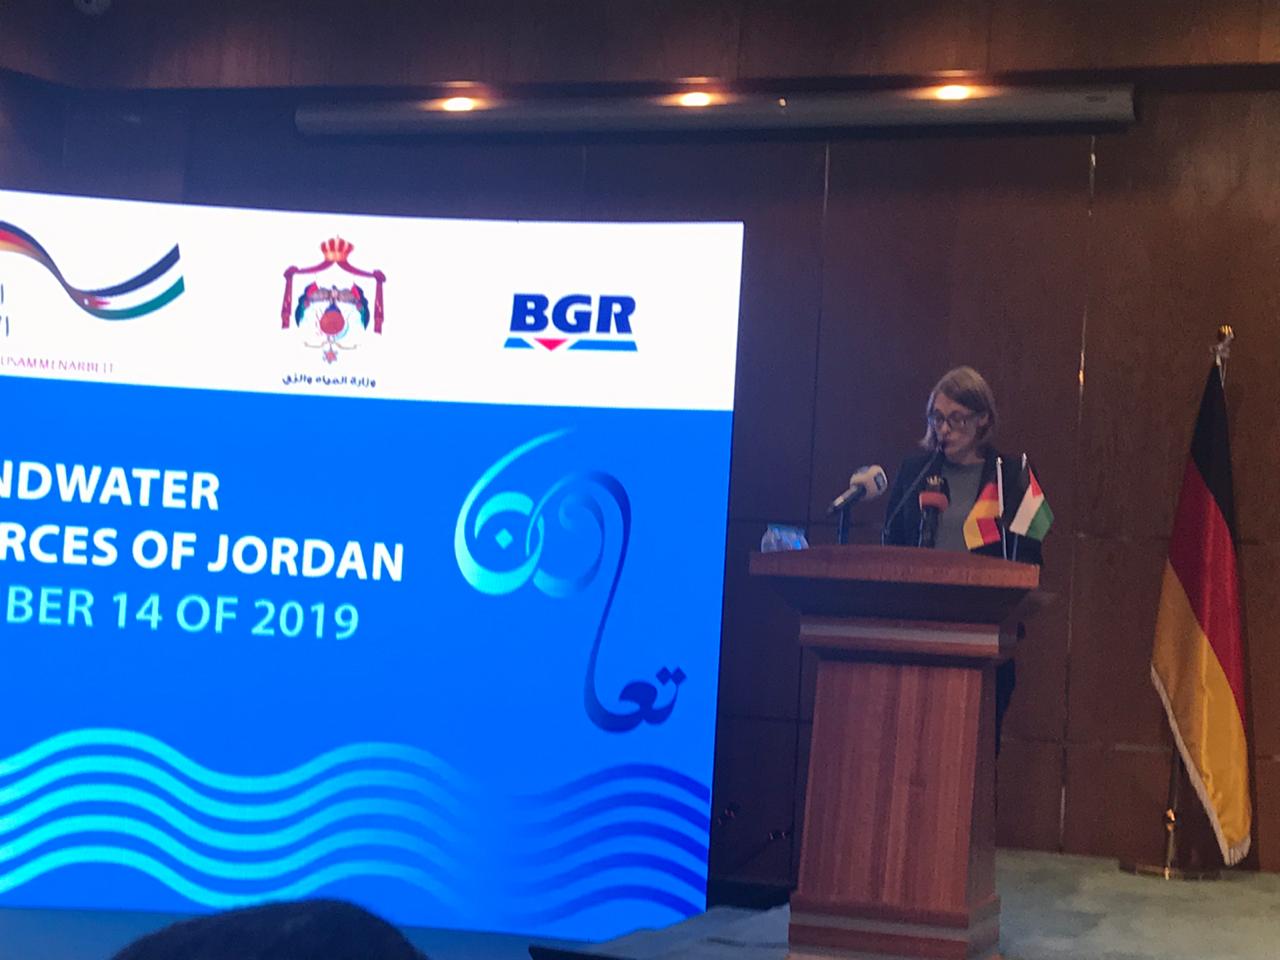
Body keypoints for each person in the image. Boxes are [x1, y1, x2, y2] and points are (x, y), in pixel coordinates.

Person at [880, 366, 1045, 750]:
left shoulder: (1013, 476)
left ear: (983, 418)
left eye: (957, 419)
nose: (944, 430)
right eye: (937, 418)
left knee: (972, 754)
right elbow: (892, 543)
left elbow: (1033, 558)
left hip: (984, 641)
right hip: (916, 637)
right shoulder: (914, 472)